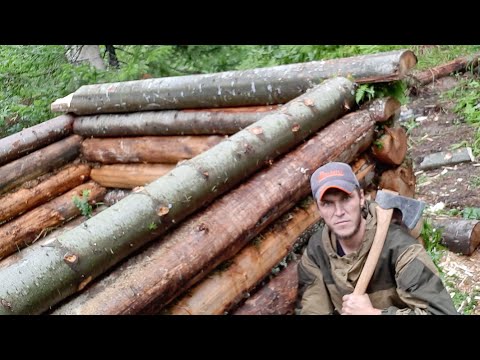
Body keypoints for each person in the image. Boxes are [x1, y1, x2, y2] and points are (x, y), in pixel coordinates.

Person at [296, 161, 457, 315]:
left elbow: (443, 312)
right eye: (327, 204)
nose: (339, 212)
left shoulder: (401, 249)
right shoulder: (316, 252)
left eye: (345, 199)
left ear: (360, 197)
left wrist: (373, 313)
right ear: (318, 209)